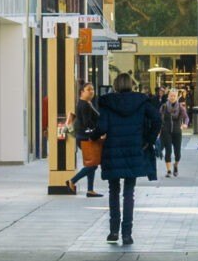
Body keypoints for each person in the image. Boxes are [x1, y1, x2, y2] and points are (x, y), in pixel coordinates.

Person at [94, 74, 163, 246]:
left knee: (113, 191)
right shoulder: (141, 102)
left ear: (115, 85)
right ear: (132, 85)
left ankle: (113, 231)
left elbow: (101, 127)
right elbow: (157, 119)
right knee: (129, 193)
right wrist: (148, 139)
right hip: (134, 149)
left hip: (113, 150)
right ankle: (127, 234)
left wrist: (91, 135)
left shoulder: (107, 103)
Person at [66, 84, 102, 195]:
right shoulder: (84, 105)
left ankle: (90, 190)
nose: (91, 91)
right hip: (85, 137)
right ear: (82, 92)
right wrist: (97, 131)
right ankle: (72, 180)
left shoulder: (86, 103)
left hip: (83, 136)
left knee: (91, 163)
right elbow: (87, 123)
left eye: (92, 89)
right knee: (93, 163)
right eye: (88, 89)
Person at [159, 90, 186, 178]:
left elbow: (186, 117)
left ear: (177, 97)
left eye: (174, 96)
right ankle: (169, 170)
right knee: (168, 151)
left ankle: (176, 165)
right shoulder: (163, 106)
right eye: (171, 95)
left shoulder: (181, 107)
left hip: (177, 132)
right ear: (168, 96)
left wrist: (184, 124)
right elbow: (159, 118)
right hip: (166, 132)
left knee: (178, 153)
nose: (172, 97)